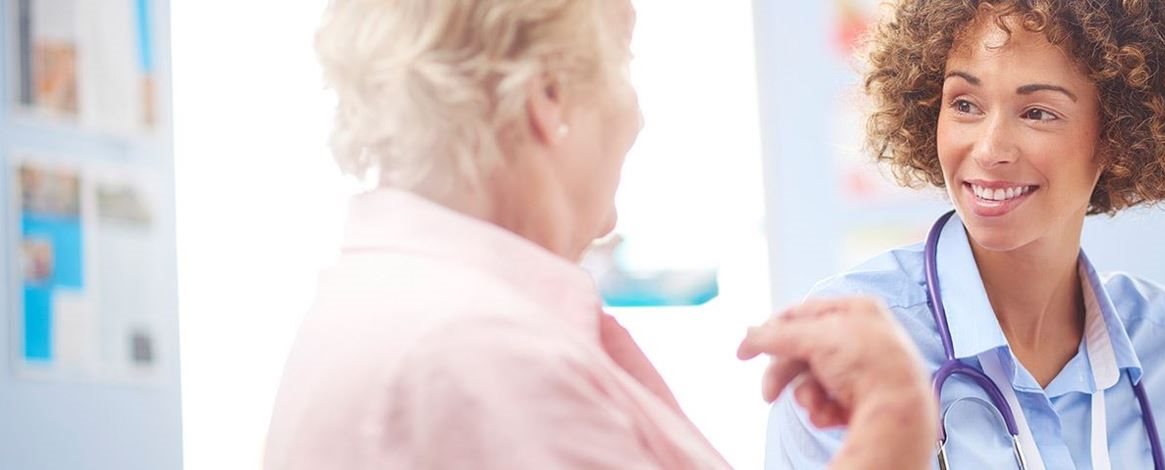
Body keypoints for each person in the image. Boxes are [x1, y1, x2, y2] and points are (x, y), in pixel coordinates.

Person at [263, 0, 936, 468]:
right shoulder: (482, 355)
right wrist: (894, 422)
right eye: (623, 61)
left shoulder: (405, 300)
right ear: (549, 96)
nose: (637, 115)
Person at [766, 0, 1165, 468]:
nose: (990, 148)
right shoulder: (853, 348)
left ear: (1120, 135)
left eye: (1037, 112)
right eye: (965, 104)